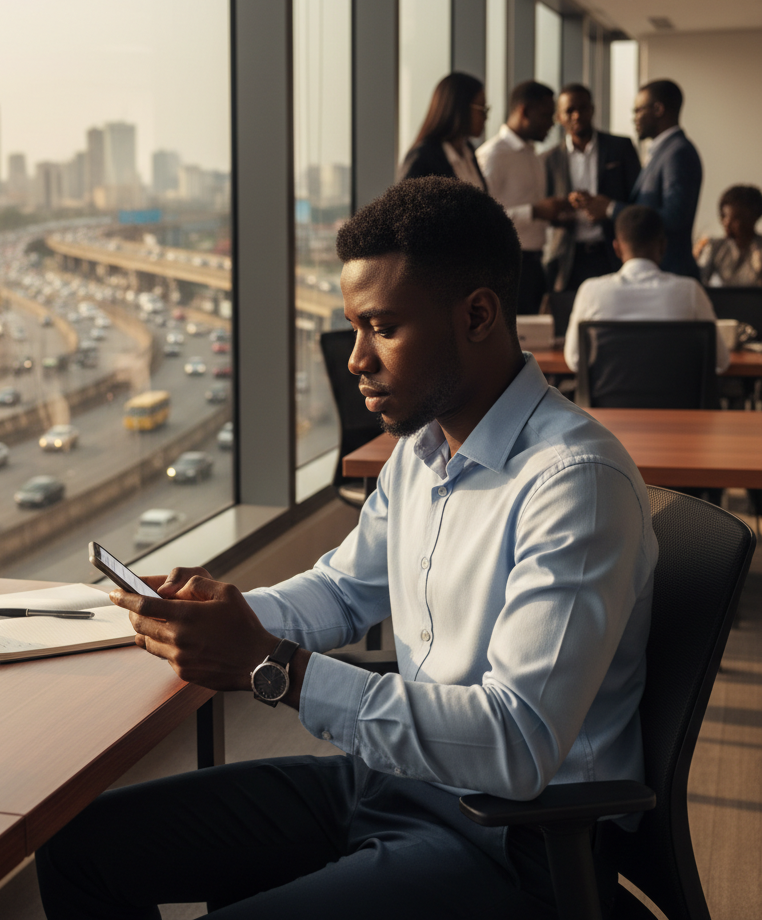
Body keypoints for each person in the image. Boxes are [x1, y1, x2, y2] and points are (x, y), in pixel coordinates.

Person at [36, 177, 657, 920]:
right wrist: (219, 616)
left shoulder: (573, 482)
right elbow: (342, 591)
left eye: (380, 327)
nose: (356, 357)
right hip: (396, 778)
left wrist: (272, 669)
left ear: (479, 315)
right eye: (354, 327)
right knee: (78, 848)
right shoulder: (422, 451)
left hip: (520, 838)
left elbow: (516, 746)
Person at [564, 205, 730, 373]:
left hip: (610, 398)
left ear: (617, 248)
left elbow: (574, 359)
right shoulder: (690, 291)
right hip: (676, 398)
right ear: (663, 246)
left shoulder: (591, 291)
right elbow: (720, 361)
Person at [573, 79, 702, 279]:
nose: (634, 118)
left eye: (638, 110)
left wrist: (610, 209)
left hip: (669, 273)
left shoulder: (678, 152)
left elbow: (675, 216)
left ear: (658, 109)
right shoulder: (662, 152)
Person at [477, 80, 571, 314]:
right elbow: (482, 219)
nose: (553, 123)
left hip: (534, 263)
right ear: (525, 111)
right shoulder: (493, 156)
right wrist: (536, 211)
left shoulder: (532, 154)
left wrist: (552, 215)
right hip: (505, 266)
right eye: (546, 115)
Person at [542, 83, 642, 291]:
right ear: (559, 117)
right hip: (567, 257)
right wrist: (564, 207)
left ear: (592, 110)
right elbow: (546, 208)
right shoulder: (548, 159)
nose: (577, 115)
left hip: (611, 252)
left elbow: (638, 200)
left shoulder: (620, 148)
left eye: (583, 108)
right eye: (570, 111)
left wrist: (607, 207)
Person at [397, 72, 488, 190]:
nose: (486, 117)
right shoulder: (424, 158)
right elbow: (405, 205)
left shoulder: (467, 150)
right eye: (482, 109)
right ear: (461, 108)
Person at [695, 184, 762, 286]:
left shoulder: (758, 248)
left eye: (736, 219)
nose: (726, 223)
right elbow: (701, 280)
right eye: (723, 217)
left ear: (753, 218)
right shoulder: (716, 247)